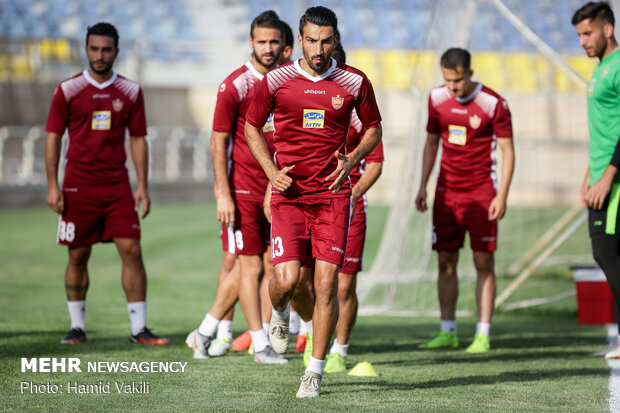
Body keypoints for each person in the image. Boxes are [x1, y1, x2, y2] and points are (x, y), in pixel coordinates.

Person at [245, 6, 383, 398]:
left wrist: (353, 159)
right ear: (299, 41)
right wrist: (272, 174)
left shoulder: (354, 82)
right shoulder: (276, 80)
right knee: (286, 281)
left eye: (326, 41)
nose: (318, 49)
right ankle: (280, 311)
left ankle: (314, 373)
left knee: (326, 287)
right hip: (289, 196)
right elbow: (251, 125)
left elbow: (374, 128)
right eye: (311, 40)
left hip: (334, 197)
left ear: (335, 40)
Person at [44, 22, 168, 345]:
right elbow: (53, 138)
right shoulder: (67, 90)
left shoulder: (130, 91)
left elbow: (139, 139)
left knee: (132, 250)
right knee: (77, 255)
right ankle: (77, 328)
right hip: (77, 186)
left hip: (116, 186)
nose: (100, 55)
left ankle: (139, 330)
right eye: (94, 49)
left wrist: (142, 185)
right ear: (86, 50)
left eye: (106, 49)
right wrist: (52, 185)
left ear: (116, 51)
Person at [185, 10, 287, 364]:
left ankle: (205, 331)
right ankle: (260, 345)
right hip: (243, 188)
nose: (269, 47)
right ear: (251, 42)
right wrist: (223, 192)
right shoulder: (235, 85)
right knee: (248, 267)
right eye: (262, 41)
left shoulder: (286, 82)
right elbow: (218, 141)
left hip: (280, 189)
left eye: (274, 41)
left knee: (272, 267)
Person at [415, 48, 514, 354]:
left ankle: (483, 333)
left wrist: (502, 194)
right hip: (446, 194)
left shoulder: (493, 103)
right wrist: (423, 185)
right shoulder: (436, 99)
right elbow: (432, 143)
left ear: (470, 73)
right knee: (445, 262)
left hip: (482, 194)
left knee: (483, 261)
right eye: (447, 79)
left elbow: (508, 151)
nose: (453, 86)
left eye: (457, 80)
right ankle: (448, 331)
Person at [323, 42, 385, 374]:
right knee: (306, 281)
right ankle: (309, 335)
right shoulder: (306, 106)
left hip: (349, 210)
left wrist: (353, 194)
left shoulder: (361, 119)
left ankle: (340, 350)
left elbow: (375, 163)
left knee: (344, 284)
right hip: (310, 206)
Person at [572, 2, 620, 359]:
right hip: (601, 173)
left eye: (587, 33)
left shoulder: (618, 66)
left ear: (607, 29)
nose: (583, 41)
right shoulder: (601, 68)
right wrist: (590, 173)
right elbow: (604, 129)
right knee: (606, 252)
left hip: (615, 179)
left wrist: (607, 177)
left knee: (607, 251)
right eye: (578, 35)